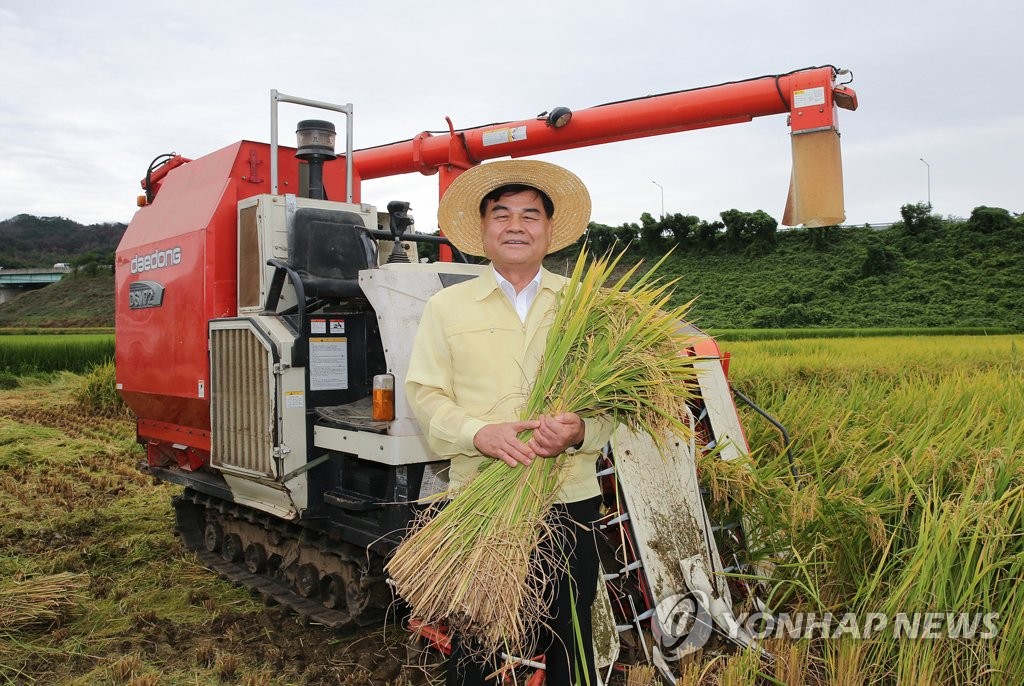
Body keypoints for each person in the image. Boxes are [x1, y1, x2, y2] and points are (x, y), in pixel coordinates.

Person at [405, 159, 613, 686]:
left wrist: (579, 431)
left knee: (570, 637)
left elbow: (617, 406)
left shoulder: (586, 307)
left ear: (549, 229)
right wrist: (479, 432)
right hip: (479, 499)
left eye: (530, 215)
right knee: (475, 642)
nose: (516, 226)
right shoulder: (446, 308)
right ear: (482, 230)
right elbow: (424, 393)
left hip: (569, 499)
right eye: (502, 215)